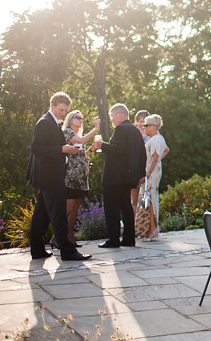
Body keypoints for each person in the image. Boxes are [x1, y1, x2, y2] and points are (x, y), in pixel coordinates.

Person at [27, 92, 92, 261]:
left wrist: (62, 149)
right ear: (52, 106)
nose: (63, 113)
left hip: (48, 175)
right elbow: (36, 148)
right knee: (58, 213)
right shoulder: (45, 122)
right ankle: (67, 251)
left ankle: (37, 250)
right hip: (49, 175)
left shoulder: (52, 122)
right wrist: (62, 149)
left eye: (65, 110)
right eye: (60, 110)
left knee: (42, 213)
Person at [94, 104, 147, 248]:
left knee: (112, 208)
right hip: (128, 177)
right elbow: (142, 154)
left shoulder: (121, 129)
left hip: (115, 177)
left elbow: (117, 149)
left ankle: (113, 239)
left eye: (112, 116)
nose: (111, 119)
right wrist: (141, 173)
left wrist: (101, 145)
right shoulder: (136, 131)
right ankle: (129, 238)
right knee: (126, 206)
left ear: (120, 114)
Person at [60, 110, 100, 246]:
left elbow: (82, 156)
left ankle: (70, 237)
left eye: (82, 118)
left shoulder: (77, 135)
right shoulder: (67, 132)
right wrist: (96, 129)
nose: (81, 120)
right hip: (71, 177)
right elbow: (82, 141)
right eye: (78, 118)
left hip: (81, 178)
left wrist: (92, 149)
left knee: (75, 208)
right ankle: (58, 237)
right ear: (71, 119)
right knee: (69, 208)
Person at [141, 114, 169, 240]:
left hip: (151, 174)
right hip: (152, 171)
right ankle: (151, 227)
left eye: (146, 125)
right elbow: (166, 150)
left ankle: (153, 228)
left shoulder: (157, 139)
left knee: (150, 199)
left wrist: (147, 174)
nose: (144, 127)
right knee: (149, 199)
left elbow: (154, 158)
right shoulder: (155, 139)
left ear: (154, 126)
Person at [131, 110, 150, 215]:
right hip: (133, 170)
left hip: (147, 170)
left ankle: (147, 225)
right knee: (133, 200)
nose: (140, 124)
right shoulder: (132, 135)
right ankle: (134, 225)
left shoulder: (150, 137)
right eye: (138, 121)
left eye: (143, 121)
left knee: (146, 199)